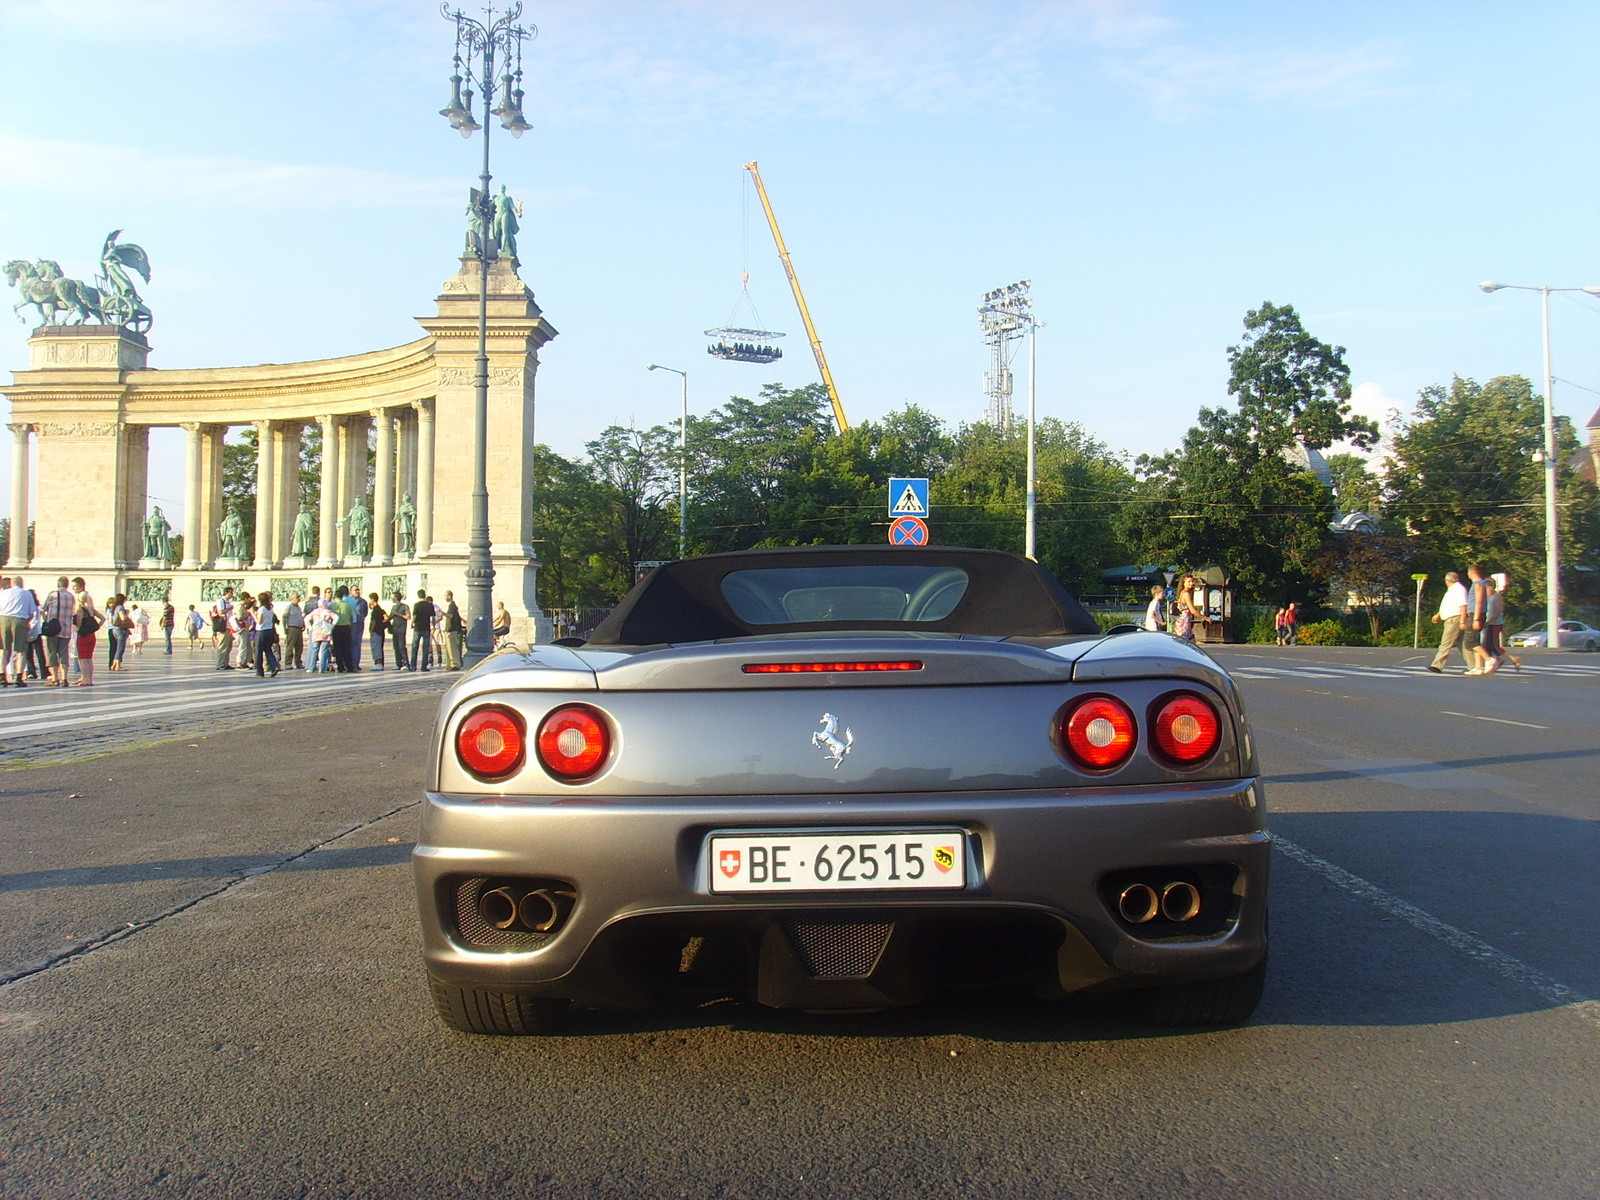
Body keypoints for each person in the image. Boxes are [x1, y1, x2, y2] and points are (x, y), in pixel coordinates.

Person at [0, 574, 40, 686]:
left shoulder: (3, 593)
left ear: (11, 583)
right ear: (21, 584)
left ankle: (2, 676)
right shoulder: (26, 593)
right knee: (21, 650)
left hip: (4, 619)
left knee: (4, 649)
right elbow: (32, 612)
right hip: (20, 619)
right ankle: (19, 677)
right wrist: (26, 622)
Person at [1427, 570, 1468, 673]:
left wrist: (1463, 621)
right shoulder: (1453, 589)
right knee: (1463, 643)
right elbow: (1450, 605)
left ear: (1448, 580)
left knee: (1446, 642)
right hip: (1453, 618)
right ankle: (1474, 665)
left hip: (1455, 619)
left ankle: (1437, 665)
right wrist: (1439, 614)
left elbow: (1463, 606)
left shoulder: (1458, 590)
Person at [41, 576, 74, 687]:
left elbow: (44, 609)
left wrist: (46, 620)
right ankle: (64, 678)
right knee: (64, 654)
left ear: (58, 584)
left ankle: (55, 678)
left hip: (53, 629)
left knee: (52, 653)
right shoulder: (71, 596)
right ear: (67, 585)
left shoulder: (53, 595)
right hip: (66, 629)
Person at [71, 577, 101, 688]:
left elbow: (78, 621)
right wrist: (94, 627)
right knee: (89, 658)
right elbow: (100, 617)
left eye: (74, 586)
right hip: (91, 634)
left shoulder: (80, 608)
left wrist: (78, 628)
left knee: (82, 658)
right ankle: (87, 678)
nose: (73, 588)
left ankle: (86, 678)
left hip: (82, 635)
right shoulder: (89, 606)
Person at [1462, 562, 1489, 672]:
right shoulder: (1480, 583)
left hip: (1475, 614)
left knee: (1470, 641)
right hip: (1475, 614)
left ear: (1472, 572)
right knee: (1475, 640)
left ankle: (1489, 659)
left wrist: (1476, 619)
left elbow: (1479, 602)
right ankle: (1478, 667)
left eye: (1468, 572)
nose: (1468, 575)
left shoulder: (1478, 584)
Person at [329, 586, 356, 673]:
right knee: (347, 648)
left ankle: (340, 667)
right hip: (346, 628)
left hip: (336, 628)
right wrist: (351, 626)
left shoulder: (331, 605)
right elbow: (351, 617)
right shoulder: (347, 605)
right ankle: (349, 667)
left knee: (337, 649)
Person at [254, 591, 280, 678]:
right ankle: (274, 666)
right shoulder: (270, 608)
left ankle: (259, 671)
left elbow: (259, 622)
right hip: (269, 630)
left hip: (261, 631)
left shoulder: (261, 609)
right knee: (268, 650)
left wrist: (253, 614)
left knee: (258, 651)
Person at [24, 590, 48, 681]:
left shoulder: (28, 607)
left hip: (29, 631)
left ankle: (31, 672)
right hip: (37, 632)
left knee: (28, 654)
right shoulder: (39, 607)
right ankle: (44, 672)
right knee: (40, 654)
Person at [410, 589, 435, 672]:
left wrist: (412, 623)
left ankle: (413, 666)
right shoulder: (429, 605)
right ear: (425, 595)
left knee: (414, 647)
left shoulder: (416, 605)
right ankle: (424, 666)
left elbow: (414, 616)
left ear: (418, 595)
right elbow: (433, 617)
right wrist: (433, 625)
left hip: (417, 628)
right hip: (426, 628)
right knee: (425, 647)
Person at [105, 594, 131, 671]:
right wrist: (127, 613)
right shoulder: (120, 608)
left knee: (115, 647)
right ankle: (117, 665)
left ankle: (113, 664)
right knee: (120, 648)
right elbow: (122, 618)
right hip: (120, 629)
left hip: (114, 629)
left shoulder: (114, 608)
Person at [211, 588, 236, 670]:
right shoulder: (221, 600)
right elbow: (221, 612)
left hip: (229, 626)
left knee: (228, 646)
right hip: (223, 626)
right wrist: (230, 608)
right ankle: (220, 663)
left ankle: (225, 663)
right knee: (222, 645)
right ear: (226, 592)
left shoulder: (228, 601)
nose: (232, 594)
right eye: (231, 592)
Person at [282, 593, 306, 670]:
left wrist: (303, 624)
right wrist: (285, 628)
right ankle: (288, 663)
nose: (298, 598)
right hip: (292, 628)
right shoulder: (289, 607)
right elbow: (284, 617)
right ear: (292, 598)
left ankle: (298, 662)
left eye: (299, 597)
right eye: (297, 597)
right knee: (290, 646)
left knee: (299, 646)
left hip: (299, 628)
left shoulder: (298, 608)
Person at [1172, 575, 1198, 642]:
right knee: (1186, 642)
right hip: (1184, 623)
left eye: (1192, 581)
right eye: (1188, 582)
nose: (1191, 583)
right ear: (1184, 583)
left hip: (1182, 621)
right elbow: (1192, 610)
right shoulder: (1186, 594)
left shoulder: (1182, 593)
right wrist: (1205, 617)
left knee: (1190, 641)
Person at [442, 590, 464, 669]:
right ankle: (453, 662)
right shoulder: (454, 606)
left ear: (449, 596)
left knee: (452, 647)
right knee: (451, 647)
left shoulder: (452, 606)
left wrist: (442, 613)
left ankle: (455, 663)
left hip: (451, 629)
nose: (444, 597)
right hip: (452, 629)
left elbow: (450, 616)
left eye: (445, 596)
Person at [389, 591, 411, 671]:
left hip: (401, 629)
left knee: (402, 646)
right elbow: (390, 616)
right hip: (395, 629)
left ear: (395, 597)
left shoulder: (405, 607)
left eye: (392, 597)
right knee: (396, 647)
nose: (391, 598)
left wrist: (398, 614)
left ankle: (406, 663)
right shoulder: (394, 607)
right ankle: (398, 663)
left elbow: (408, 617)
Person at [367, 593, 388, 670]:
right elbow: (387, 618)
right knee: (379, 646)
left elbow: (374, 621)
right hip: (381, 630)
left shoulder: (376, 610)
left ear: (372, 599)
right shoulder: (380, 609)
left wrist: (371, 630)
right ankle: (380, 663)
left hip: (376, 631)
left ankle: (378, 663)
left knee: (376, 647)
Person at [350, 589, 368, 670]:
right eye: (355, 590)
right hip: (351, 625)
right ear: (351, 591)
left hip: (359, 625)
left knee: (357, 645)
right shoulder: (349, 601)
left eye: (358, 590)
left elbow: (365, 613)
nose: (357, 591)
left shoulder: (363, 602)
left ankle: (356, 664)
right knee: (350, 644)